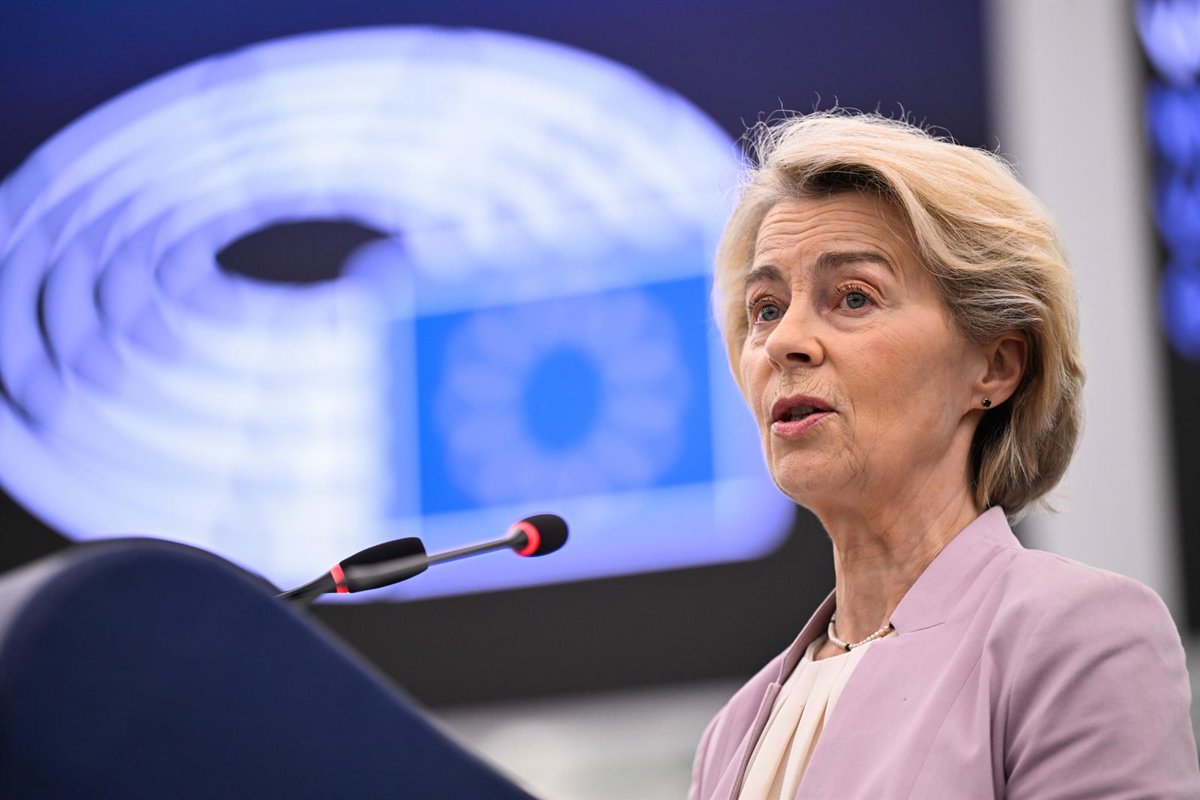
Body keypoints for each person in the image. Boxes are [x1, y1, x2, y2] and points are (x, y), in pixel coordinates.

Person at [689, 112, 1200, 799]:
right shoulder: (733, 731)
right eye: (766, 308)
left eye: (854, 297)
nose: (784, 342)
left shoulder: (1075, 633)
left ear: (995, 366)